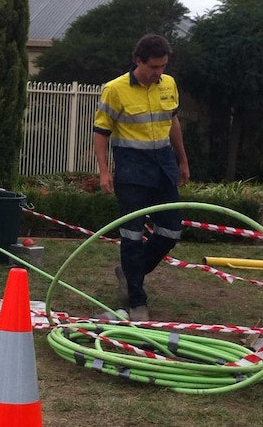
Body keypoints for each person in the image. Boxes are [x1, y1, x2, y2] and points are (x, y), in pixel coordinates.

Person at [92, 33, 190, 321]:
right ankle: (137, 301)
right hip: (132, 171)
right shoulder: (114, 89)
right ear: (138, 61)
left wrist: (183, 160)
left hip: (164, 168)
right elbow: (100, 132)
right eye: (153, 67)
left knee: (171, 231)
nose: (159, 73)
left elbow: (173, 123)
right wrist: (104, 171)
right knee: (131, 236)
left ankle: (130, 272)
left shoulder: (169, 84)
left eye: (162, 67)